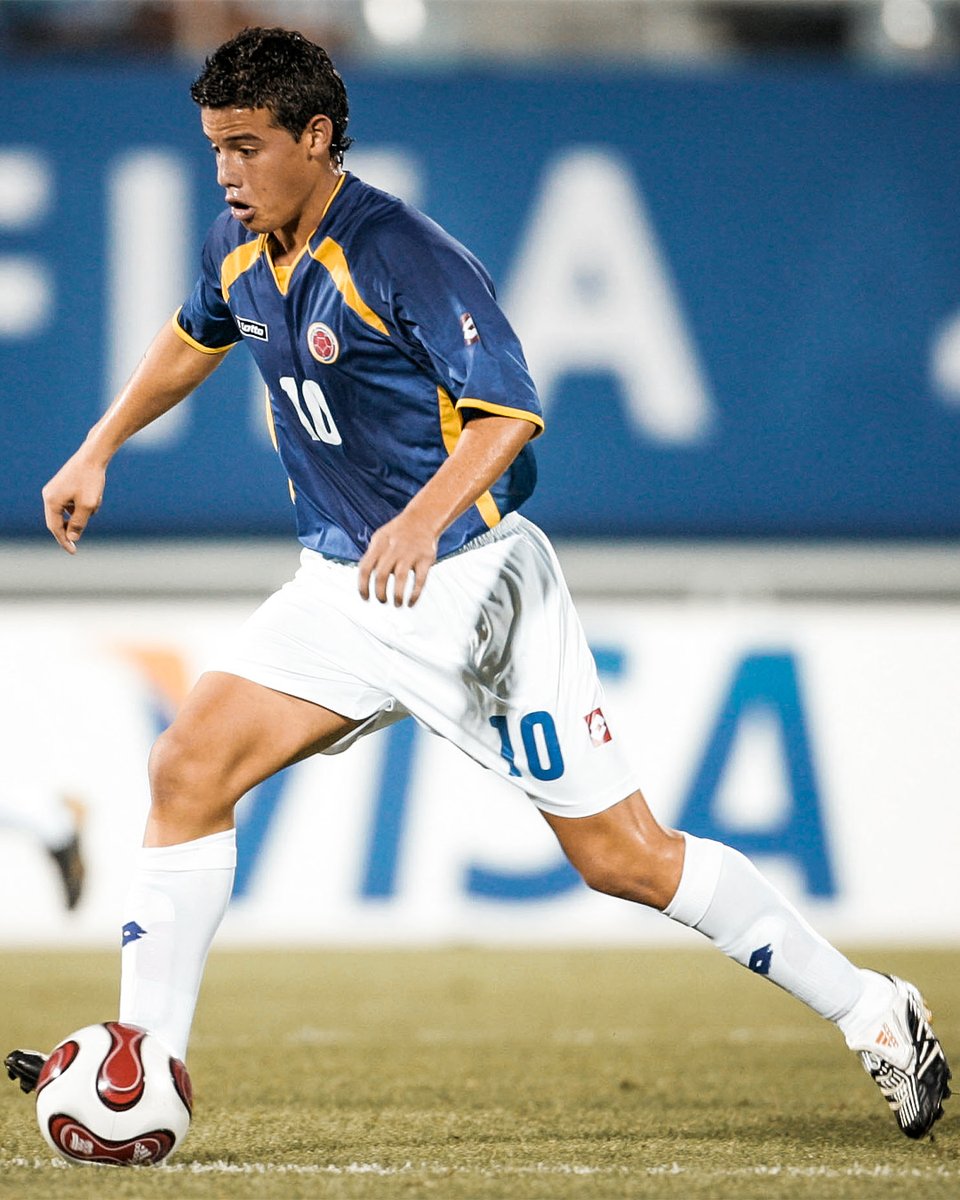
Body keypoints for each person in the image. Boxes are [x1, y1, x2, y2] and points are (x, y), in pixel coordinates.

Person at [5, 27, 950, 1140]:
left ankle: (875, 1012)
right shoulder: (239, 240)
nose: (226, 173)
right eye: (215, 147)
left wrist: (419, 519)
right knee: (189, 763)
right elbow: (194, 334)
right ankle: (141, 1066)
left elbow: (508, 410)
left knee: (623, 858)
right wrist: (99, 444)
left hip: (476, 584)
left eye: (248, 147)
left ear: (316, 139)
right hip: (343, 585)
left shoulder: (403, 252)